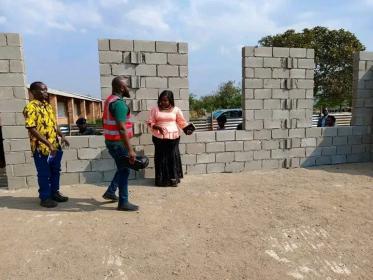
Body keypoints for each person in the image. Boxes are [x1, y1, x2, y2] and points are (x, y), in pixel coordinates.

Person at [23, 81, 70, 208]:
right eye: (42, 90)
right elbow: (31, 128)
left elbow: (54, 125)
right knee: (44, 173)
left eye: (46, 90)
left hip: (54, 146)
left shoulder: (48, 106)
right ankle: (45, 197)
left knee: (55, 170)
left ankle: (55, 193)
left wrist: (62, 136)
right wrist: (48, 144)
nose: (46, 92)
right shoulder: (30, 107)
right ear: (33, 92)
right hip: (41, 148)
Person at [102, 76, 138, 211]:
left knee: (122, 167)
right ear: (122, 88)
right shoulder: (119, 104)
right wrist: (130, 150)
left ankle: (111, 192)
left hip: (112, 141)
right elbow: (122, 128)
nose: (129, 88)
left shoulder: (109, 100)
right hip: (118, 143)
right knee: (125, 170)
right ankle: (123, 202)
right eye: (128, 86)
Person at [147, 90, 191, 187]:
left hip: (173, 137)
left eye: (166, 100)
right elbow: (150, 122)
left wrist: (187, 129)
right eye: (161, 100)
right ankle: (161, 180)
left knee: (172, 157)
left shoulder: (176, 110)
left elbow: (182, 122)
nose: (163, 102)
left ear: (170, 100)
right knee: (160, 158)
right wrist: (157, 127)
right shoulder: (155, 110)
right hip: (159, 137)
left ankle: (173, 179)